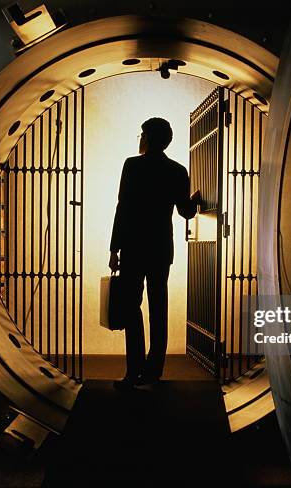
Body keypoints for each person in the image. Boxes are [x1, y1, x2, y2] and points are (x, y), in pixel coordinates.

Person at [109, 117, 201, 390]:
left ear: (147, 138)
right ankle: (153, 372)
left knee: (130, 307)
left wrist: (114, 248)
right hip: (161, 249)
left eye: (141, 135)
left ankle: (133, 371)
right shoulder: (177, 170)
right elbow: (185, 211)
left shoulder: (132, 166)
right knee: (158, 309)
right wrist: (195, 200)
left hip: (134, 247)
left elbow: (122, 207)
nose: (139, 139)